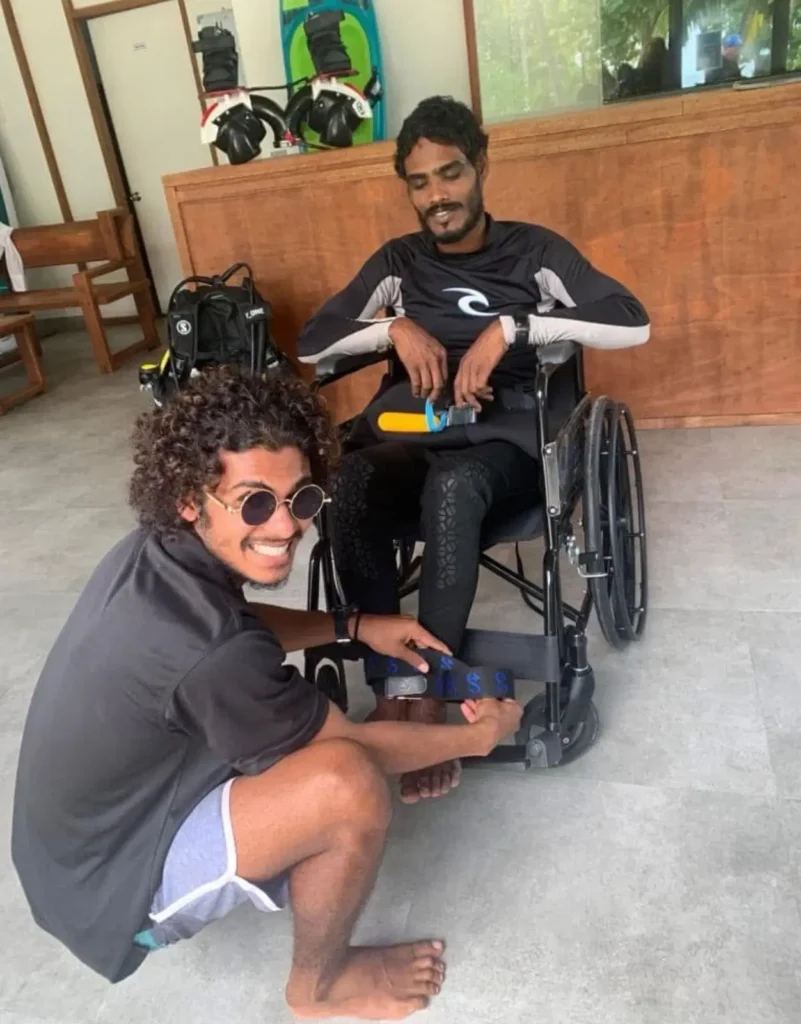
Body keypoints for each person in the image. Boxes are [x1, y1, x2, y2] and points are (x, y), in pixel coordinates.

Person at [11, 366, 522, 1019]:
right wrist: (480, 734)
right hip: (110, 891)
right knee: (346, 783)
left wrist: (355, 625)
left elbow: (238, 625)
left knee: (307, 740)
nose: (284, 528)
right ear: (192, 497)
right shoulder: (210, 650)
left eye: (300, 499)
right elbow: (358, 746)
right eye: (254, 502)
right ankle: (319, 988)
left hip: (69, 851)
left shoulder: (160, 552)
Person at [297, 95, 650, 806]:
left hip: (506, 443)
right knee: (354, 478)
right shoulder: (398, 262)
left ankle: (426, 696)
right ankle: (393, 687)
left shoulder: (534, 251)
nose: (437, 196)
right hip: (416, 433)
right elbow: (312, 342)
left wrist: (512, 329)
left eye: (450, 175)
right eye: (420, 183)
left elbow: (630, 323)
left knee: (454, 485)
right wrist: (393, 328)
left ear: (480, 166)